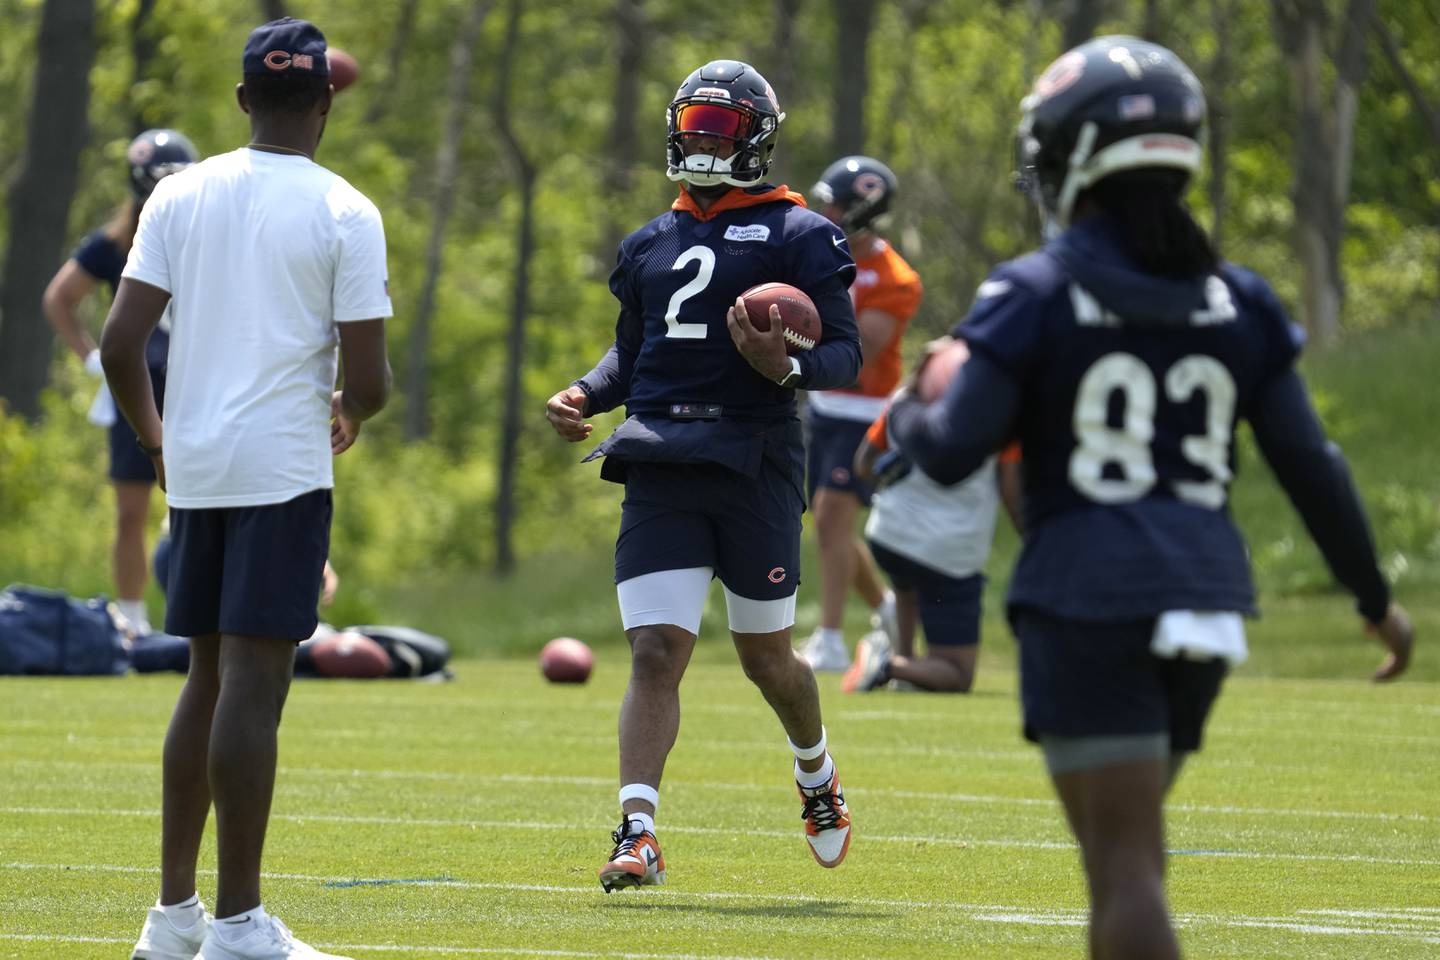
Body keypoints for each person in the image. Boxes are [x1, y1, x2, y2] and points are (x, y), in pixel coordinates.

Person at [888, 36, 1415, 960]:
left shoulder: (1034, 289)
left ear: (1074, 157)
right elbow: (1312, 467)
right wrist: (1374, 601)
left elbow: (953, 449)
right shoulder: (1239, 298)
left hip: (1089, 596)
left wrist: (906, 410)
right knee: (1135, 858)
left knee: (1123, 870)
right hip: (1207, 601)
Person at [103, 17, 392, 960]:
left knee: (206, 676)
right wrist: (349, 409)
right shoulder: (347, 208)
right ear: (325, 103)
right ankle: (236, 925)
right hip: (279, 469)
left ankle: (172, 917)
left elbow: (118, 344)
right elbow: (373, 380)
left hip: (198, 468)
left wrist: (155, 442)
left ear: (239, 100)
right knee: (255, 684)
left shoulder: (177, 193)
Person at [545, 59, 862, 892]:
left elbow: (843, 354)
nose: (699, 140)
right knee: (655, 650)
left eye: (718, 128)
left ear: (755, 138)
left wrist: (783, 366)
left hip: (753, 458)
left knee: (769, 661)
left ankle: (816, 771)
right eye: (692, 123)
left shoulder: (804, 234)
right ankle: (638, 830)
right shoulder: (651, 239)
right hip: (659, 456)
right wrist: (586, 389)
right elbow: (635, 349)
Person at [43, 128, 199, 636]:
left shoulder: (206, 238)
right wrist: (91, 359)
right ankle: (132, 617)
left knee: (199, 505)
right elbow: (60, 297)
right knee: (132, 509)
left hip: (197, 383)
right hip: (137, 387)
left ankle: (198, 614)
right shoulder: (117, 244)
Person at [798, 156, 923, 672]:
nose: (826, 211)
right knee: (831, 526)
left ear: (861, 210)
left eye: (836, 203)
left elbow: (861, 353)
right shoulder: (817, 254)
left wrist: (793, 345)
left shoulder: (895, 278)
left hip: (865, 408)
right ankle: (887, 609)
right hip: (824, 407)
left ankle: (829, 638)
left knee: (832, 517)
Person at [842, 386, 1023, 694]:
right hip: (947, 548)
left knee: (906, 584)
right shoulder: (999, 406)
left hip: (889, 532)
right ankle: (888, 665)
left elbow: (863, 464)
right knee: (957, 674)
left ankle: (905, 668)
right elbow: (1010, 489)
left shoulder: (905, 397)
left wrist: (903, 480)